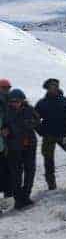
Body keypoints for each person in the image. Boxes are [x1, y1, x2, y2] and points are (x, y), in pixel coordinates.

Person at [34, 79, 66, 190]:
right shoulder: (42, 103)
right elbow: (34, 119)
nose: (54, 88)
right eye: (51, 86)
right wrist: (41, 131)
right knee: (48, 160)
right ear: (47, 88)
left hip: (64, 135)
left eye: (55, 86)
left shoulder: (65, 101)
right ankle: (51, 185)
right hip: (48, 136)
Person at [3, 89, 40, 210]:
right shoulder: (7, 112)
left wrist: (29, 123)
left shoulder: (29, 109)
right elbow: (3, 125)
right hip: (14, 147)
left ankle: (26, 195)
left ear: (22, 100)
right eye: (12, 101)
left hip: (29, 145)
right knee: (16, 174)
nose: (14, 103)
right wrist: (4, 131)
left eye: (17, 101)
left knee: (30, 170)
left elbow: (37, 121)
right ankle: (18, 199)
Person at [0, 79, 12, 207]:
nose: (6, 90)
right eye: (3, 88)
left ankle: (9, 195)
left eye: (7, 88)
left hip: (9, 140)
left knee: (8, 168)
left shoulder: (11, 100)